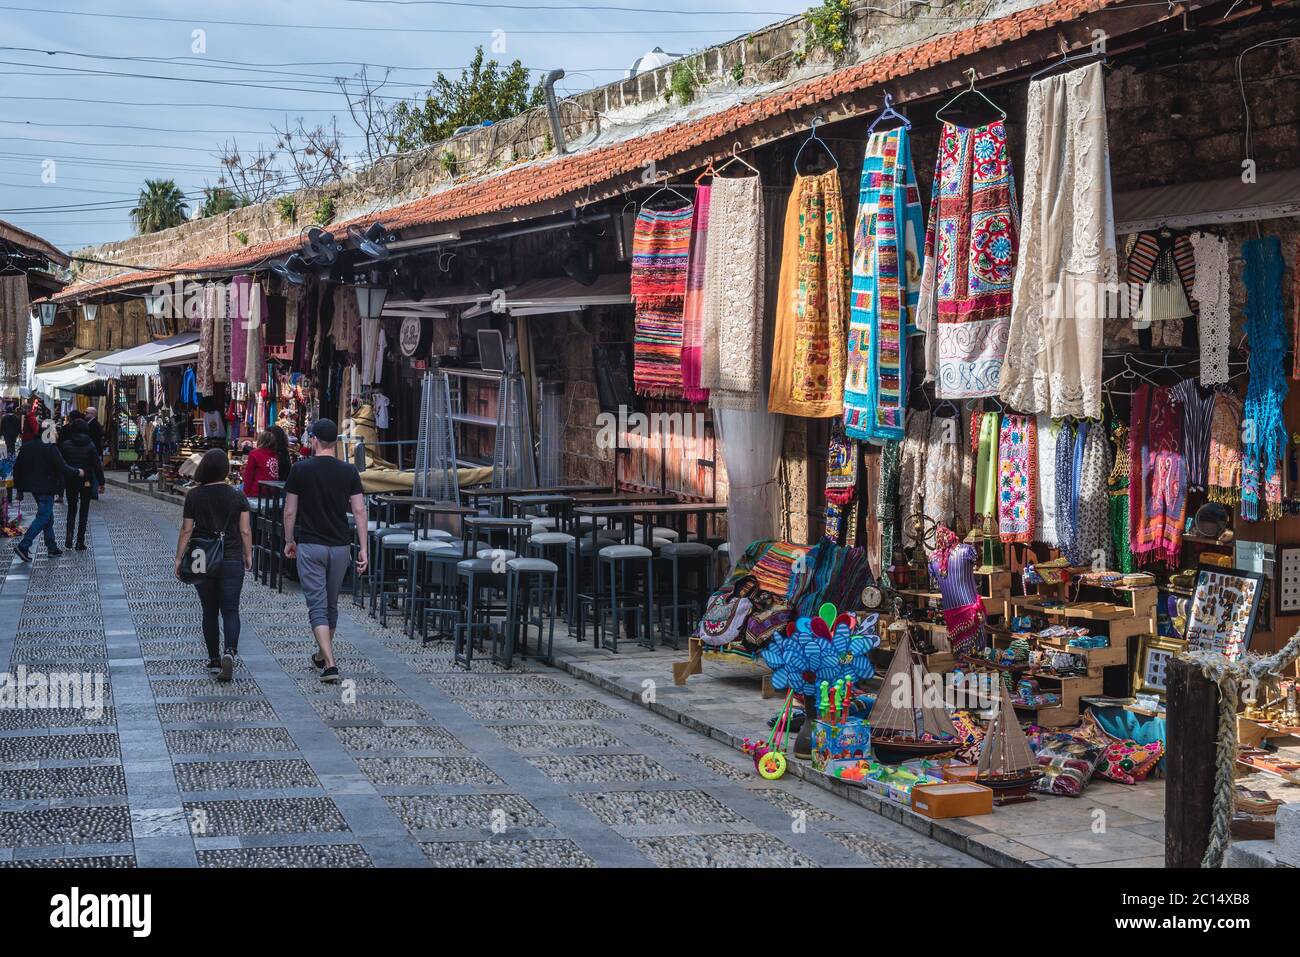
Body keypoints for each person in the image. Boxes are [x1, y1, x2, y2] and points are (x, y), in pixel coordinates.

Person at [283, 418, 367, 684]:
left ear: (315, 440)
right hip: (340, 546)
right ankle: (322, 654)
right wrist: (364, 547)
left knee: (317, 606)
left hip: (310, 545)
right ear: (336, 442)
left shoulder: (300, 469)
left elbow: (289, 510)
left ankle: (330, 664)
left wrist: (288, 540)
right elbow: (359, 510)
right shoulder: (349, 471)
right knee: (331, 604)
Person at [174, 448, 252, 683]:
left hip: (201, 558)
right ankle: (230, 651)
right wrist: (248, 554)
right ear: (226, 470)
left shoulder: (194, 496)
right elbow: (245, 530)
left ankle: (214, 658)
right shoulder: (238, 496)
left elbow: (187, 529)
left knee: (209, 610)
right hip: (231, 557)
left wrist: (178, 558)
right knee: (230, 609)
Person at [12, 423, 84, 562]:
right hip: (46, 487)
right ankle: (24, 545)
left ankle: (52, 547)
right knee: (43, 517)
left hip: (34, 489)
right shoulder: (50, 448)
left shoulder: (27, 447)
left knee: (48, 517)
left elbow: (18, 468)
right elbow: (62, 467)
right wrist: (77, 472)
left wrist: (19, 490)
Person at [59, 419, 105, 551]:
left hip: (71, 480)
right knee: (84, 511)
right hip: (87, 481)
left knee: (71, 509)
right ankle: (80, 541)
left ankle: (69, 536)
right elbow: (97, 465)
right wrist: (101, 483)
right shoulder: (90, 445)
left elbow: (61, 465)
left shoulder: (65, 445)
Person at [242, 430, 282, 499]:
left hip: (256, 492)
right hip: (271, 494)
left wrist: (246, 493)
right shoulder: (275, 456)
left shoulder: (254, 454)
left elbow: (249, 475)